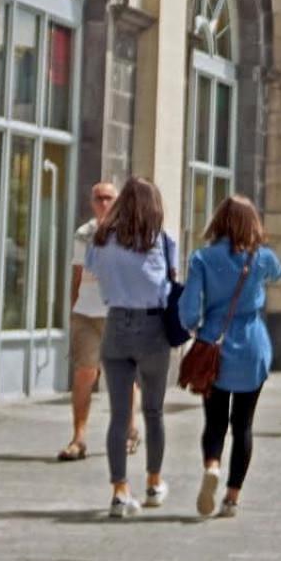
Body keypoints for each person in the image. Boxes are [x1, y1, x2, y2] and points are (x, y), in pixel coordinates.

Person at [178, 195, 281, 518]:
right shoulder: (263, 258)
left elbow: (189, 310)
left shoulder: (203, 258)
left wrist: (194, 326)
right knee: (244, 424)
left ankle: (212, 465)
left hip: (215, 345)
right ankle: (232, 498)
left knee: (215, 421)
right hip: (253, 346)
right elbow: (278, 273)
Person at [83, 177, 172, 517]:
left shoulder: (102, 239)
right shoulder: (158, 240)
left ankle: (120, 491)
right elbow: (166, 284)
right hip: (152, 327)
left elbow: (92, 268)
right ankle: (153, 482)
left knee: (119, 415)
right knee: (153, 411)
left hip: (116, 324)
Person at [62, 180, 137, 462]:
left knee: (124, 378)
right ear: (92, 202)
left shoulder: (129, 234)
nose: (103, 203)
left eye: (108, 198)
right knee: (84, 373)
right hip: (86, 314)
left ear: (117, 202)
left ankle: (130, 431)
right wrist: (73, 310)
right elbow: (77, 275)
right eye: (98, 198)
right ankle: (78, 438)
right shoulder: (84, 234)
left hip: (117, 314)